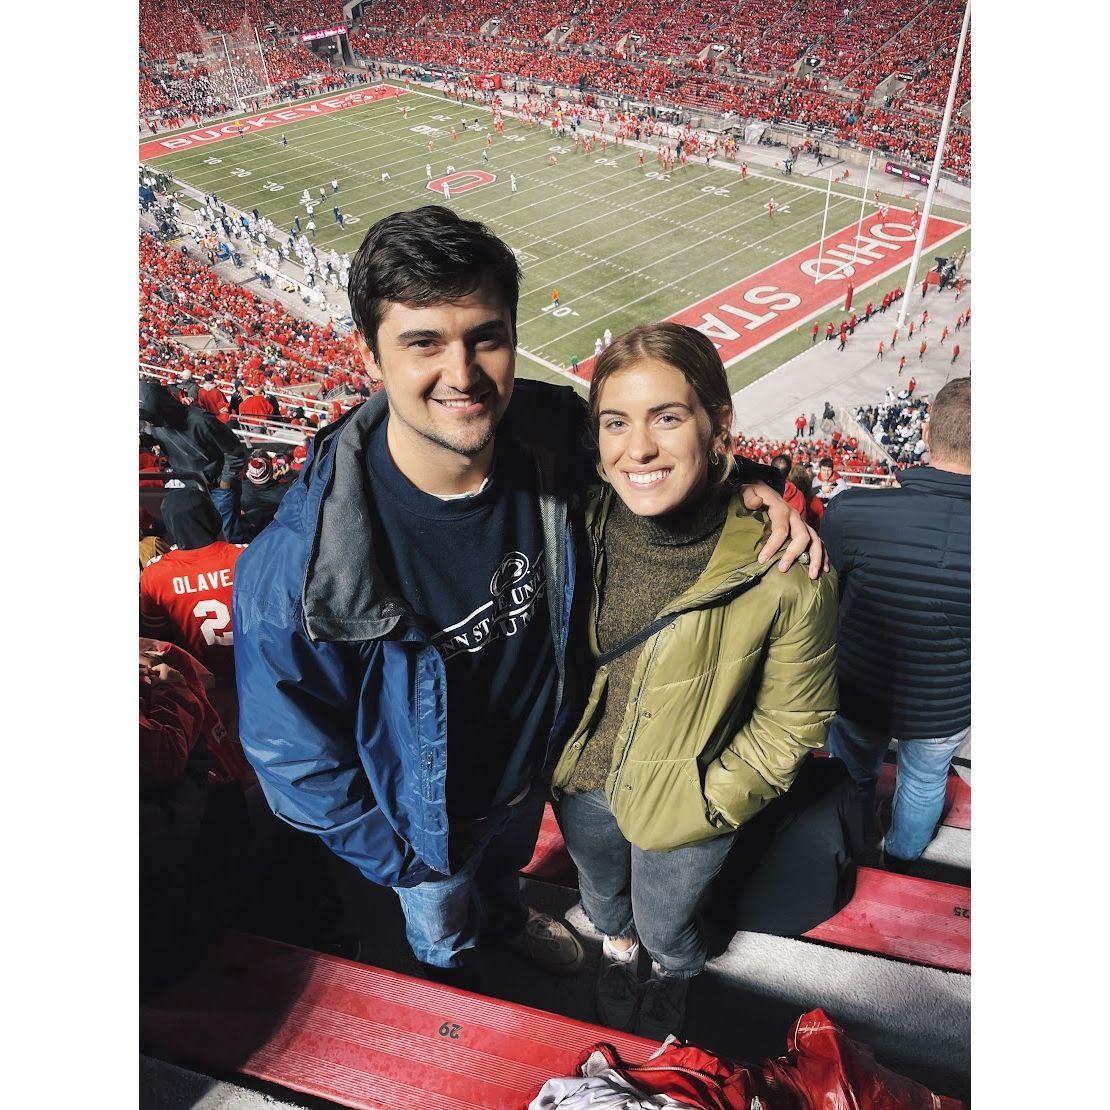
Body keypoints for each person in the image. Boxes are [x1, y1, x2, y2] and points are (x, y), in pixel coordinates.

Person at [233, 206, 821, 990]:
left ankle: (507, 922)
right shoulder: (294, 570)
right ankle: (466, 978)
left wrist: (755, 488)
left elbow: (659, 453)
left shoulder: (547, 434)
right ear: (369, 355)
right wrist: (404, 855)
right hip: (421, 826)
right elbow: (292, 760)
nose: (463, 372)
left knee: (504, 880)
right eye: (423, 343)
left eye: (485, 337)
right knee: (443, 935)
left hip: (529, 781)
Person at [549, 323, 837, 1038]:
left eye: (667, 417)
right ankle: (617, 955)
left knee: (670, 925)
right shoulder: (566, 524)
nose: (637, 448)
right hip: (579, 779)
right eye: (616, 422)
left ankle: (675, 974)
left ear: (718, 425)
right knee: (603, 897)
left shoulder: (787, 569)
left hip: (688, 802)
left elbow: (794, 723)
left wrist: (714, 798)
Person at [822, 378, 970, 867]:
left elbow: (823, 601)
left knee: (853, 772)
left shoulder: (853, 510)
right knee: (925, 781)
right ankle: (903, 860)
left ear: (926, 432)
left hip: (862, 686)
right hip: (946, 700)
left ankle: (854, 846)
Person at [140, 486, 246, 684]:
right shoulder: (244, 556)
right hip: (252, 669)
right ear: (212, 516)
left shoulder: (155, 573)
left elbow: (158, 639)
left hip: (196, 679)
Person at [139, 380, 247, 540]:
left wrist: (226, 481)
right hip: (192, 487)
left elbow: (235, 451)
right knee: (204, 537)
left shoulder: (201, 420)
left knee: (229, 537)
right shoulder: (155, 426)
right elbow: (151, 437)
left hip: (218, 486)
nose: (151, 424)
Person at [239, 451, 292, 541]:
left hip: (254, 533)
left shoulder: (242, 488)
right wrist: (290, 475)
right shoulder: (285, 491)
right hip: (278, 531)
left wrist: (273, 479)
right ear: (271, 471)